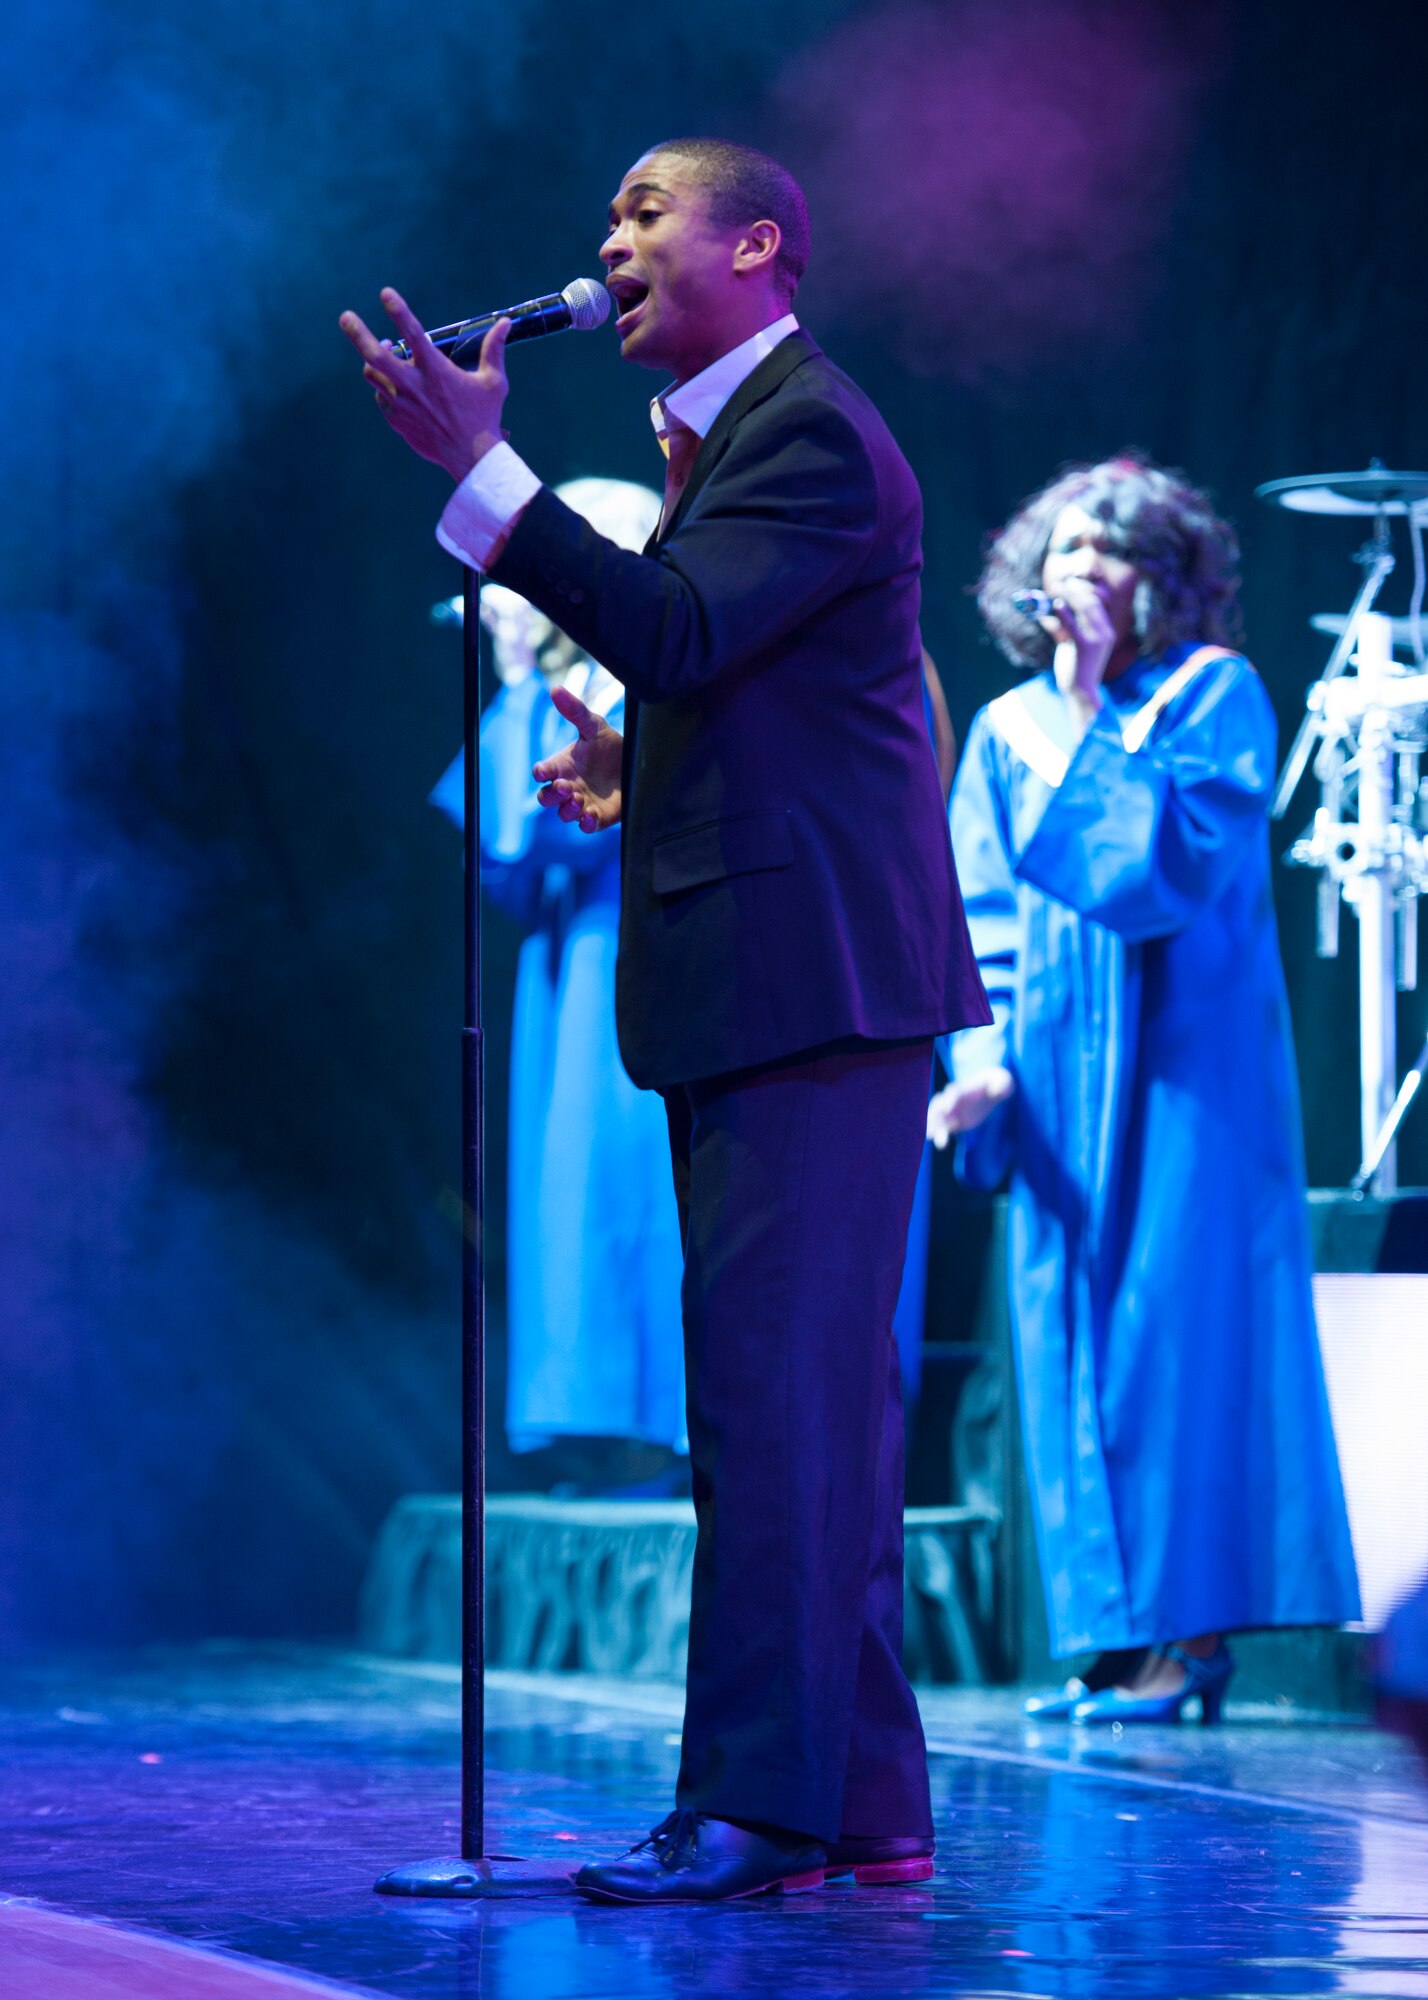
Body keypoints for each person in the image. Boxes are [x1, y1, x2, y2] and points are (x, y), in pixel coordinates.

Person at [341, 137, 989, 1899]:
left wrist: (485, 475)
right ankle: (861, 1799)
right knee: (808, 1410)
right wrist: (649, 759)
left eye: (646, 211)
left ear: (757, 244)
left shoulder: (806, 429)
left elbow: (686, 631)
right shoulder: (743, 436)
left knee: (775, 1410)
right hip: (786, 983)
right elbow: (779, 682)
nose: (609, 241)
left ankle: (756, 1812)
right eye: (609, 215)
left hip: (811, 991)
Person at [929, 455, 1361, 1722]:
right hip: (1052, 1080)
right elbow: (976, 921)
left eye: (1109, 548)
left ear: (1161, 577)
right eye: (1064, 548)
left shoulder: (1211, 693)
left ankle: (1191, 1635)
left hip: (1185, 1072)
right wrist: (979, 1066)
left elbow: (1157, 875)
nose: (1081, 567)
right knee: (1067, 1344)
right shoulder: (1006, 730)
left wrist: (1086, 697)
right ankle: (1117, 1639)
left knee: (1170, 1341)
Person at [429, 478, 688, 1482]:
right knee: (575, 1189)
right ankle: (598, 1422)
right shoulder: (559, 689)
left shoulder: (639, 679)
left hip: (639, 955)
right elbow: (504, 854)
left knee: (644, 1183)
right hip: (568, 972)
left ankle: (668, 1423)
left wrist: (526, 679)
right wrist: (511, 675)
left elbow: (560, 828)